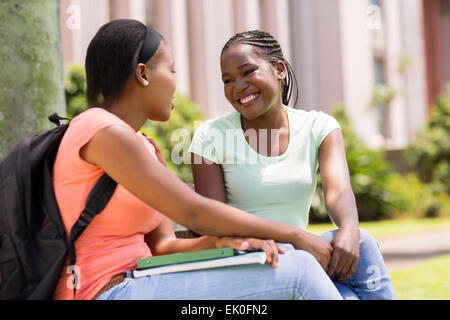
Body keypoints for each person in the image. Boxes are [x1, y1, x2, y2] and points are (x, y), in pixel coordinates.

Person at [52, 19, 349, 300]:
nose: (175, 87)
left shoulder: (145, 146)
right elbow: (192, 212)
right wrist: (295, 236)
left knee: (358, 249)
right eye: (171, 71)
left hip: (146, 279)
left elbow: (164, 246)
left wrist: (220, 242)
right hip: (104, 291)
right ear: (143, 75)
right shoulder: (99, 129)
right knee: (299, 271)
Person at [189, 30, 396, 300]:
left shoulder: (318, 127)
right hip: (248, 261)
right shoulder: (210, 136)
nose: (237, 86)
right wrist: (296, 237)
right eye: (228, 80)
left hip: (302, 257)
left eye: (248, 71)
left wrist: (349, 228)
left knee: (363, 243)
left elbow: (337, 192)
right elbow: (214, 221)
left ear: (279, 69)